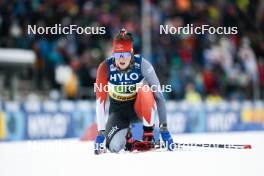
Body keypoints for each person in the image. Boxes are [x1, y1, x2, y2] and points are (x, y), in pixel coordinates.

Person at [94, 29, 173, 154]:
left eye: (125, 55)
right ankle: (132, 137)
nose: (121, 59)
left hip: (138, 112)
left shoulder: (142, 65)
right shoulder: (104, 68)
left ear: (131, 53)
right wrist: (100, 132)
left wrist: (164, 129)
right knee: (113, 147)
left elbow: (158, 95)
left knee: (146, 89)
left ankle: (147, 134)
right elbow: (100, 101)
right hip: (118, 114)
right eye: (117, 55)